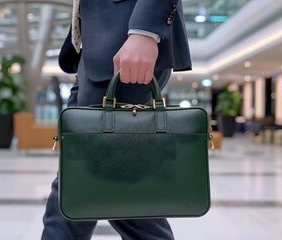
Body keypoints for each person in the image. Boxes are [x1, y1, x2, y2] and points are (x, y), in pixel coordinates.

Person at [41, 0, 192, 239]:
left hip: (125, 40)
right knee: (81, 180)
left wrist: (146, 31)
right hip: (94, 49)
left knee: (95, 178)